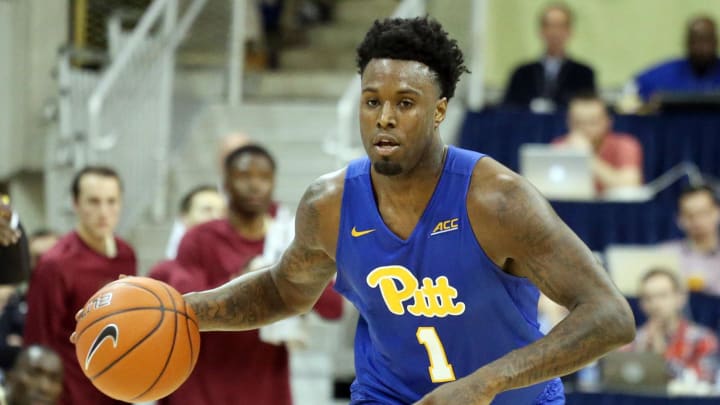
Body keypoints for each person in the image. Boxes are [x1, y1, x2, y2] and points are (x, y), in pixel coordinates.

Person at [167, 17, 636, 405]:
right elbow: (282, 291)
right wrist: (179, 312)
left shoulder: (498, 200)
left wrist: (485, 384)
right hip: (387, 397)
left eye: (405, 103)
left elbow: (610, 316)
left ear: (439, 111)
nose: (384, 117)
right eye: (372, 102)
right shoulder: (328, 204)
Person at [159, 144, 342, 405]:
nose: (255, 185)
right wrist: (247, 280)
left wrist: (289, 282)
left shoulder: (289, 241)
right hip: (203, 386)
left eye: (264, 177)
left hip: (266, 388)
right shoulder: (199, 238)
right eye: (244, 176)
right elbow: (184, 309)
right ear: (226, 183)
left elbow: (334, 308)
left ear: (274, 182)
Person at [25, 166, 136, 405]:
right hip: (72, 393)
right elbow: (38, 341)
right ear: (76, 204)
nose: (104, 212)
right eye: (93, 202)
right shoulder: (55, 264)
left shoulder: (127, 255)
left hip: (117, 388)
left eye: (111, 201)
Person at [625, 268, 718, 383]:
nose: (655, 304)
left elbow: (707, 380)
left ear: (680, 298)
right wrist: (638, 356)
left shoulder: (702, 339)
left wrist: (661, 358)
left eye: (662, 296)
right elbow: (618, 377)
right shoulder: (634, 340)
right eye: (648, 298)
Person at [502, 3, 596, 112]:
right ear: (541, 31)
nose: (555, 32)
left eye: (560, 26)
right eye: (549, 26)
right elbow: (508, 111)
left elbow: (588, 110)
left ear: (570, 31)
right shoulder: (522, 74)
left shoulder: (583, 74)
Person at [553, 94, 643, 194]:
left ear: (608, 122)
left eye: (592, 122)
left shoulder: (625, 145)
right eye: (577, 123)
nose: (585, 128)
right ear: (568, 122)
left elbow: (631, 186)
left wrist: (587, 157)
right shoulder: (560, 146)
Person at [631, 16, 720, 103]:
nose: (701, 49)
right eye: (695, 41)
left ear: (716, 42)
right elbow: (629, 93)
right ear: (687, 43)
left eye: (707, 40)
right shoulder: (663, 75)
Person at [660, 185, 720, 294]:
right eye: (689, 215)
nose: (697, 221)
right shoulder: (666, 255)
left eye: (703, 213)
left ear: (717, 212)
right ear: (679, 219)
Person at [163, 185, 225, 259]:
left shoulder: (238, 265)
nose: (217, 217)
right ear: (184, 217)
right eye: (207, 210)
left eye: (223, 212)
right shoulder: (168, 269)